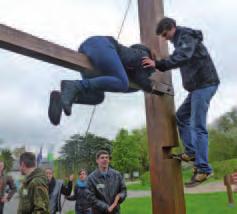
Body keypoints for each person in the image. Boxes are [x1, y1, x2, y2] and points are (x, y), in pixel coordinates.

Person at [142, 17, 220, 187]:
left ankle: (204, 168)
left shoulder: (186, 37)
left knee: (197, 125)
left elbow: (182, 56)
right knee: (181, 117)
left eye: (165, 34)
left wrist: (158, 64)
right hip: (197, 88)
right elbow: (180, 56)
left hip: (205, 84)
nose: (165, 38)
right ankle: (191, 152)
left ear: (172, 28)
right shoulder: (180, 40)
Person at [48, 36, 156, 126]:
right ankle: (75, 86)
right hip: (100, 45)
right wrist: (151, 86)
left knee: (97, 97)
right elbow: (141, 80)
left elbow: (125, 83)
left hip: (91, 50)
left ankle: (61, 97)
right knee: (123, 83)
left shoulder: (127, 66)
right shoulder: (143, 56)